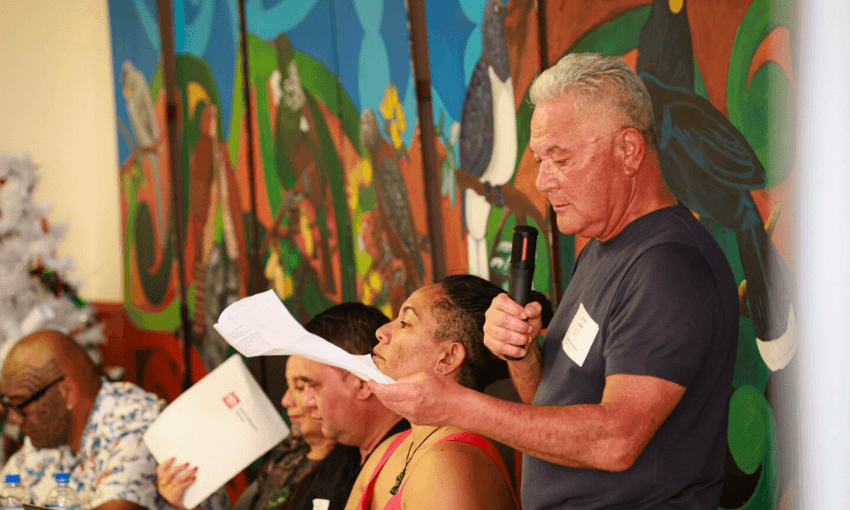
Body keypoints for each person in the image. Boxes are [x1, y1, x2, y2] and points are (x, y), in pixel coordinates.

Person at [366, 53, 739, 509]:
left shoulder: (667, 266)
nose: (543, 180)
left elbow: (615, 440)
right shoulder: (601, 247)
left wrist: (457, 406)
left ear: (628, 150)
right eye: (539, 159)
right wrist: (521, 354)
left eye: (560, 159)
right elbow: (553, 412)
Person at [156, 302, 389, 510]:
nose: (293, 401)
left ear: (364, 384)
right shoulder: (341, 456)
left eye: (311, 386)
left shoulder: (397, 461)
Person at [344, 275, 519, 510]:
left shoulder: (450, 463)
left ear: (448, 358)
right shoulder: (391, 448)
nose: (382, 332)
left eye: (405, 323)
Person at [0, 329, 209, 510]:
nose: (15, 419)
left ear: (67, 393)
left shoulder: (133, 420)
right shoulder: (43, 440)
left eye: (20, 405)